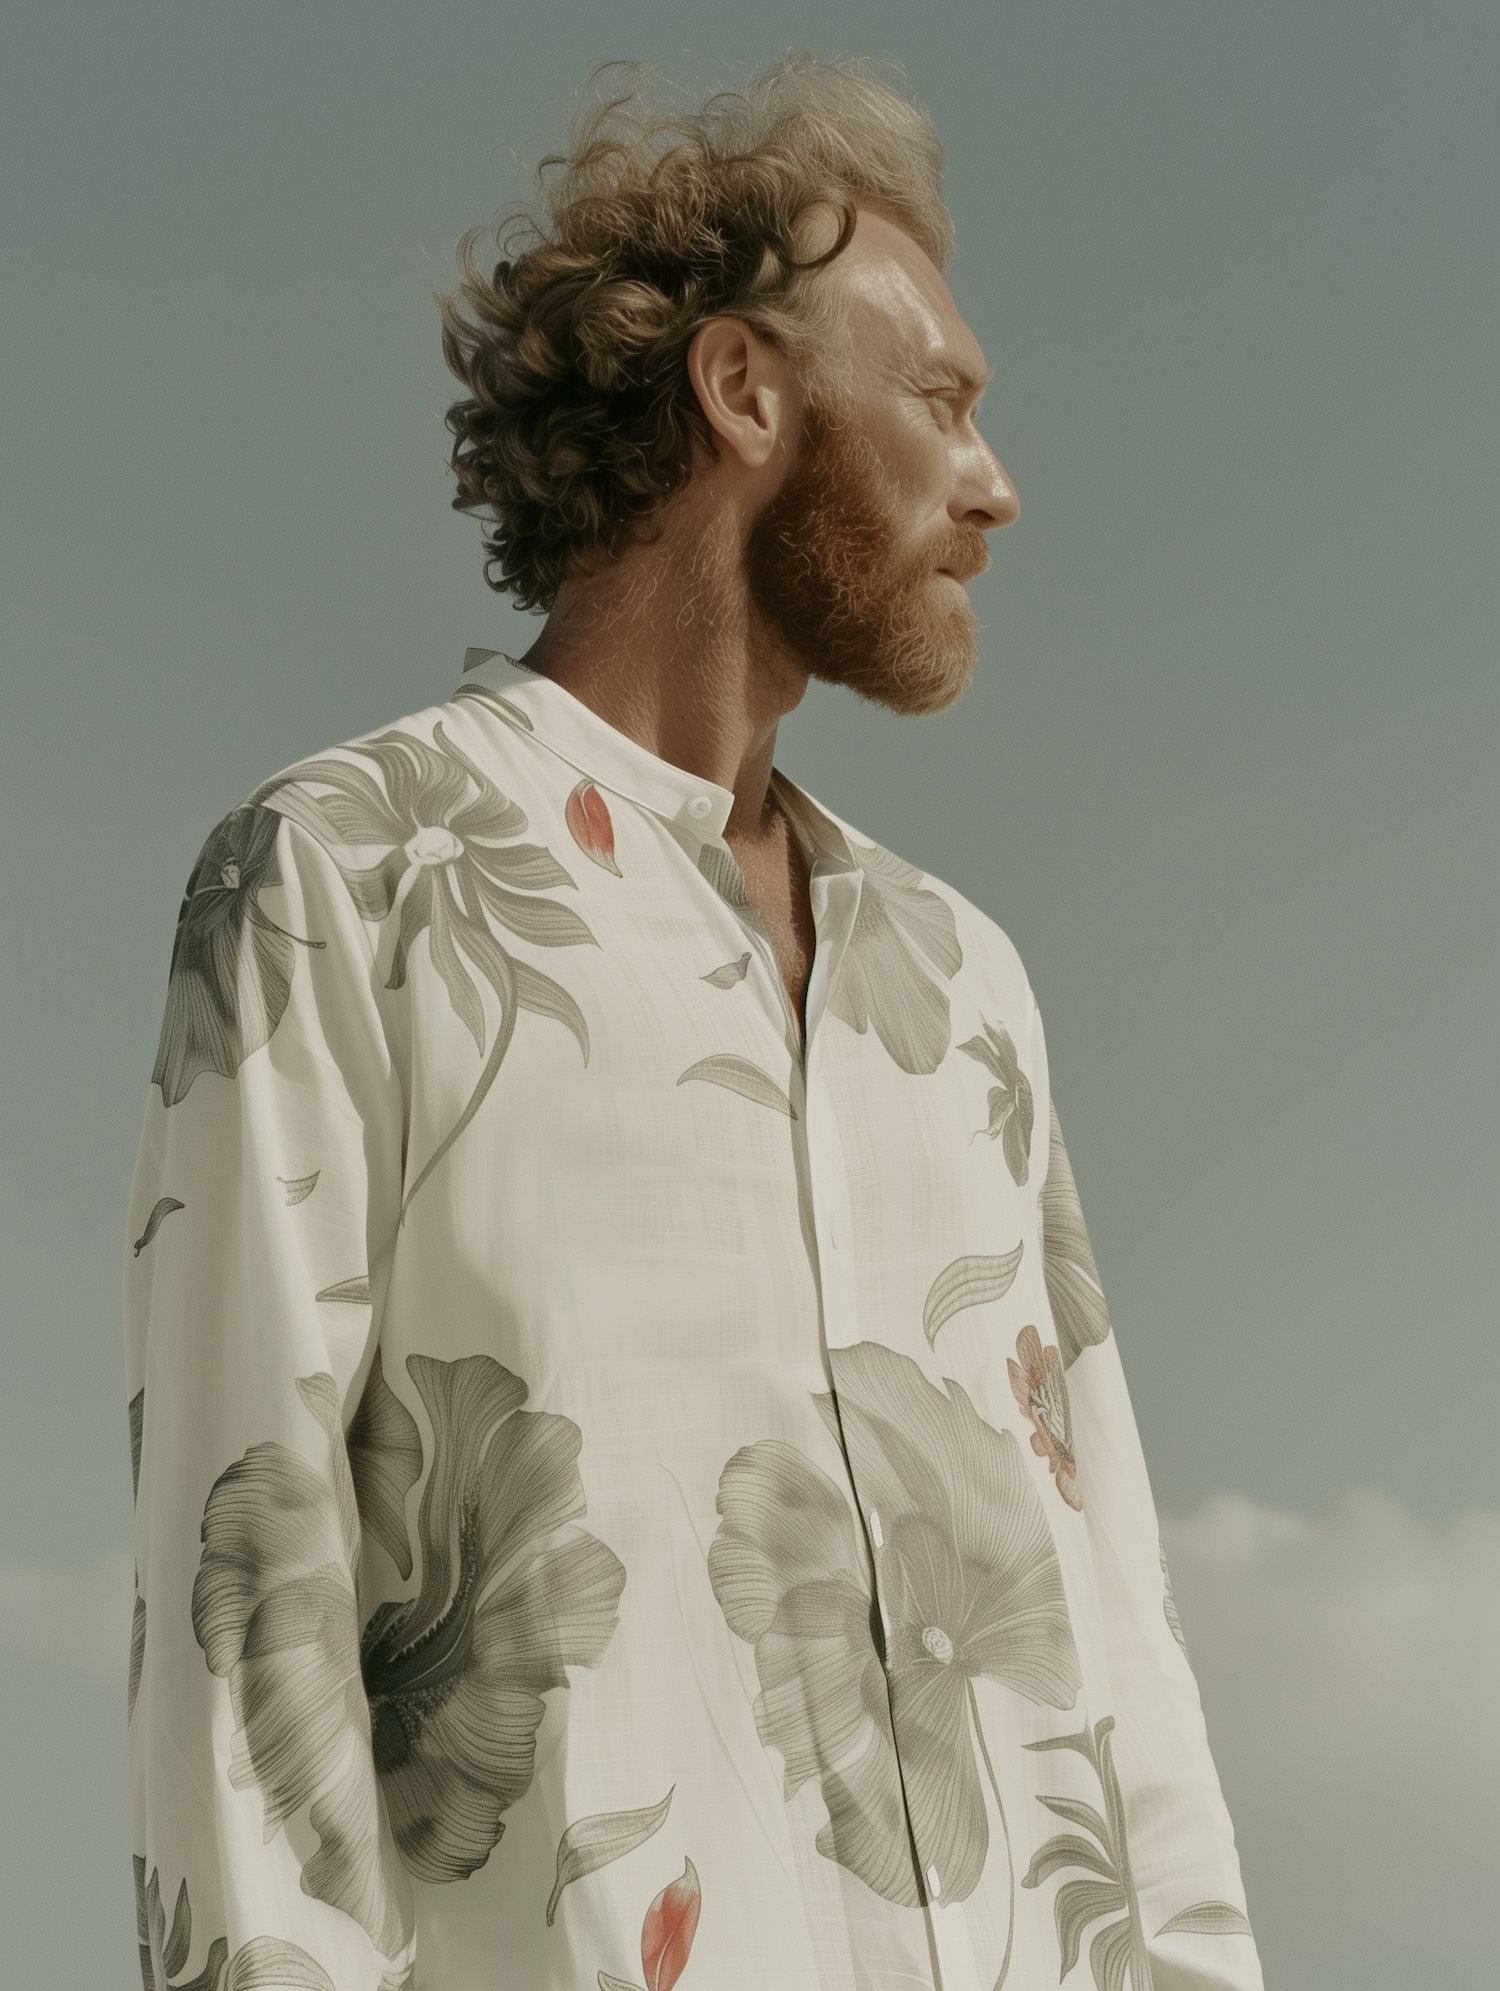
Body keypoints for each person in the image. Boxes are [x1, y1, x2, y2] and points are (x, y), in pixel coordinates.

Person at [125, 56, 1262, 1991]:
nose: (996, 485)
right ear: (745, 391)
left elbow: (1119, 1628)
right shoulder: (346, 876)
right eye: (945, 401)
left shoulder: (965, 986)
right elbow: (255, 1620)